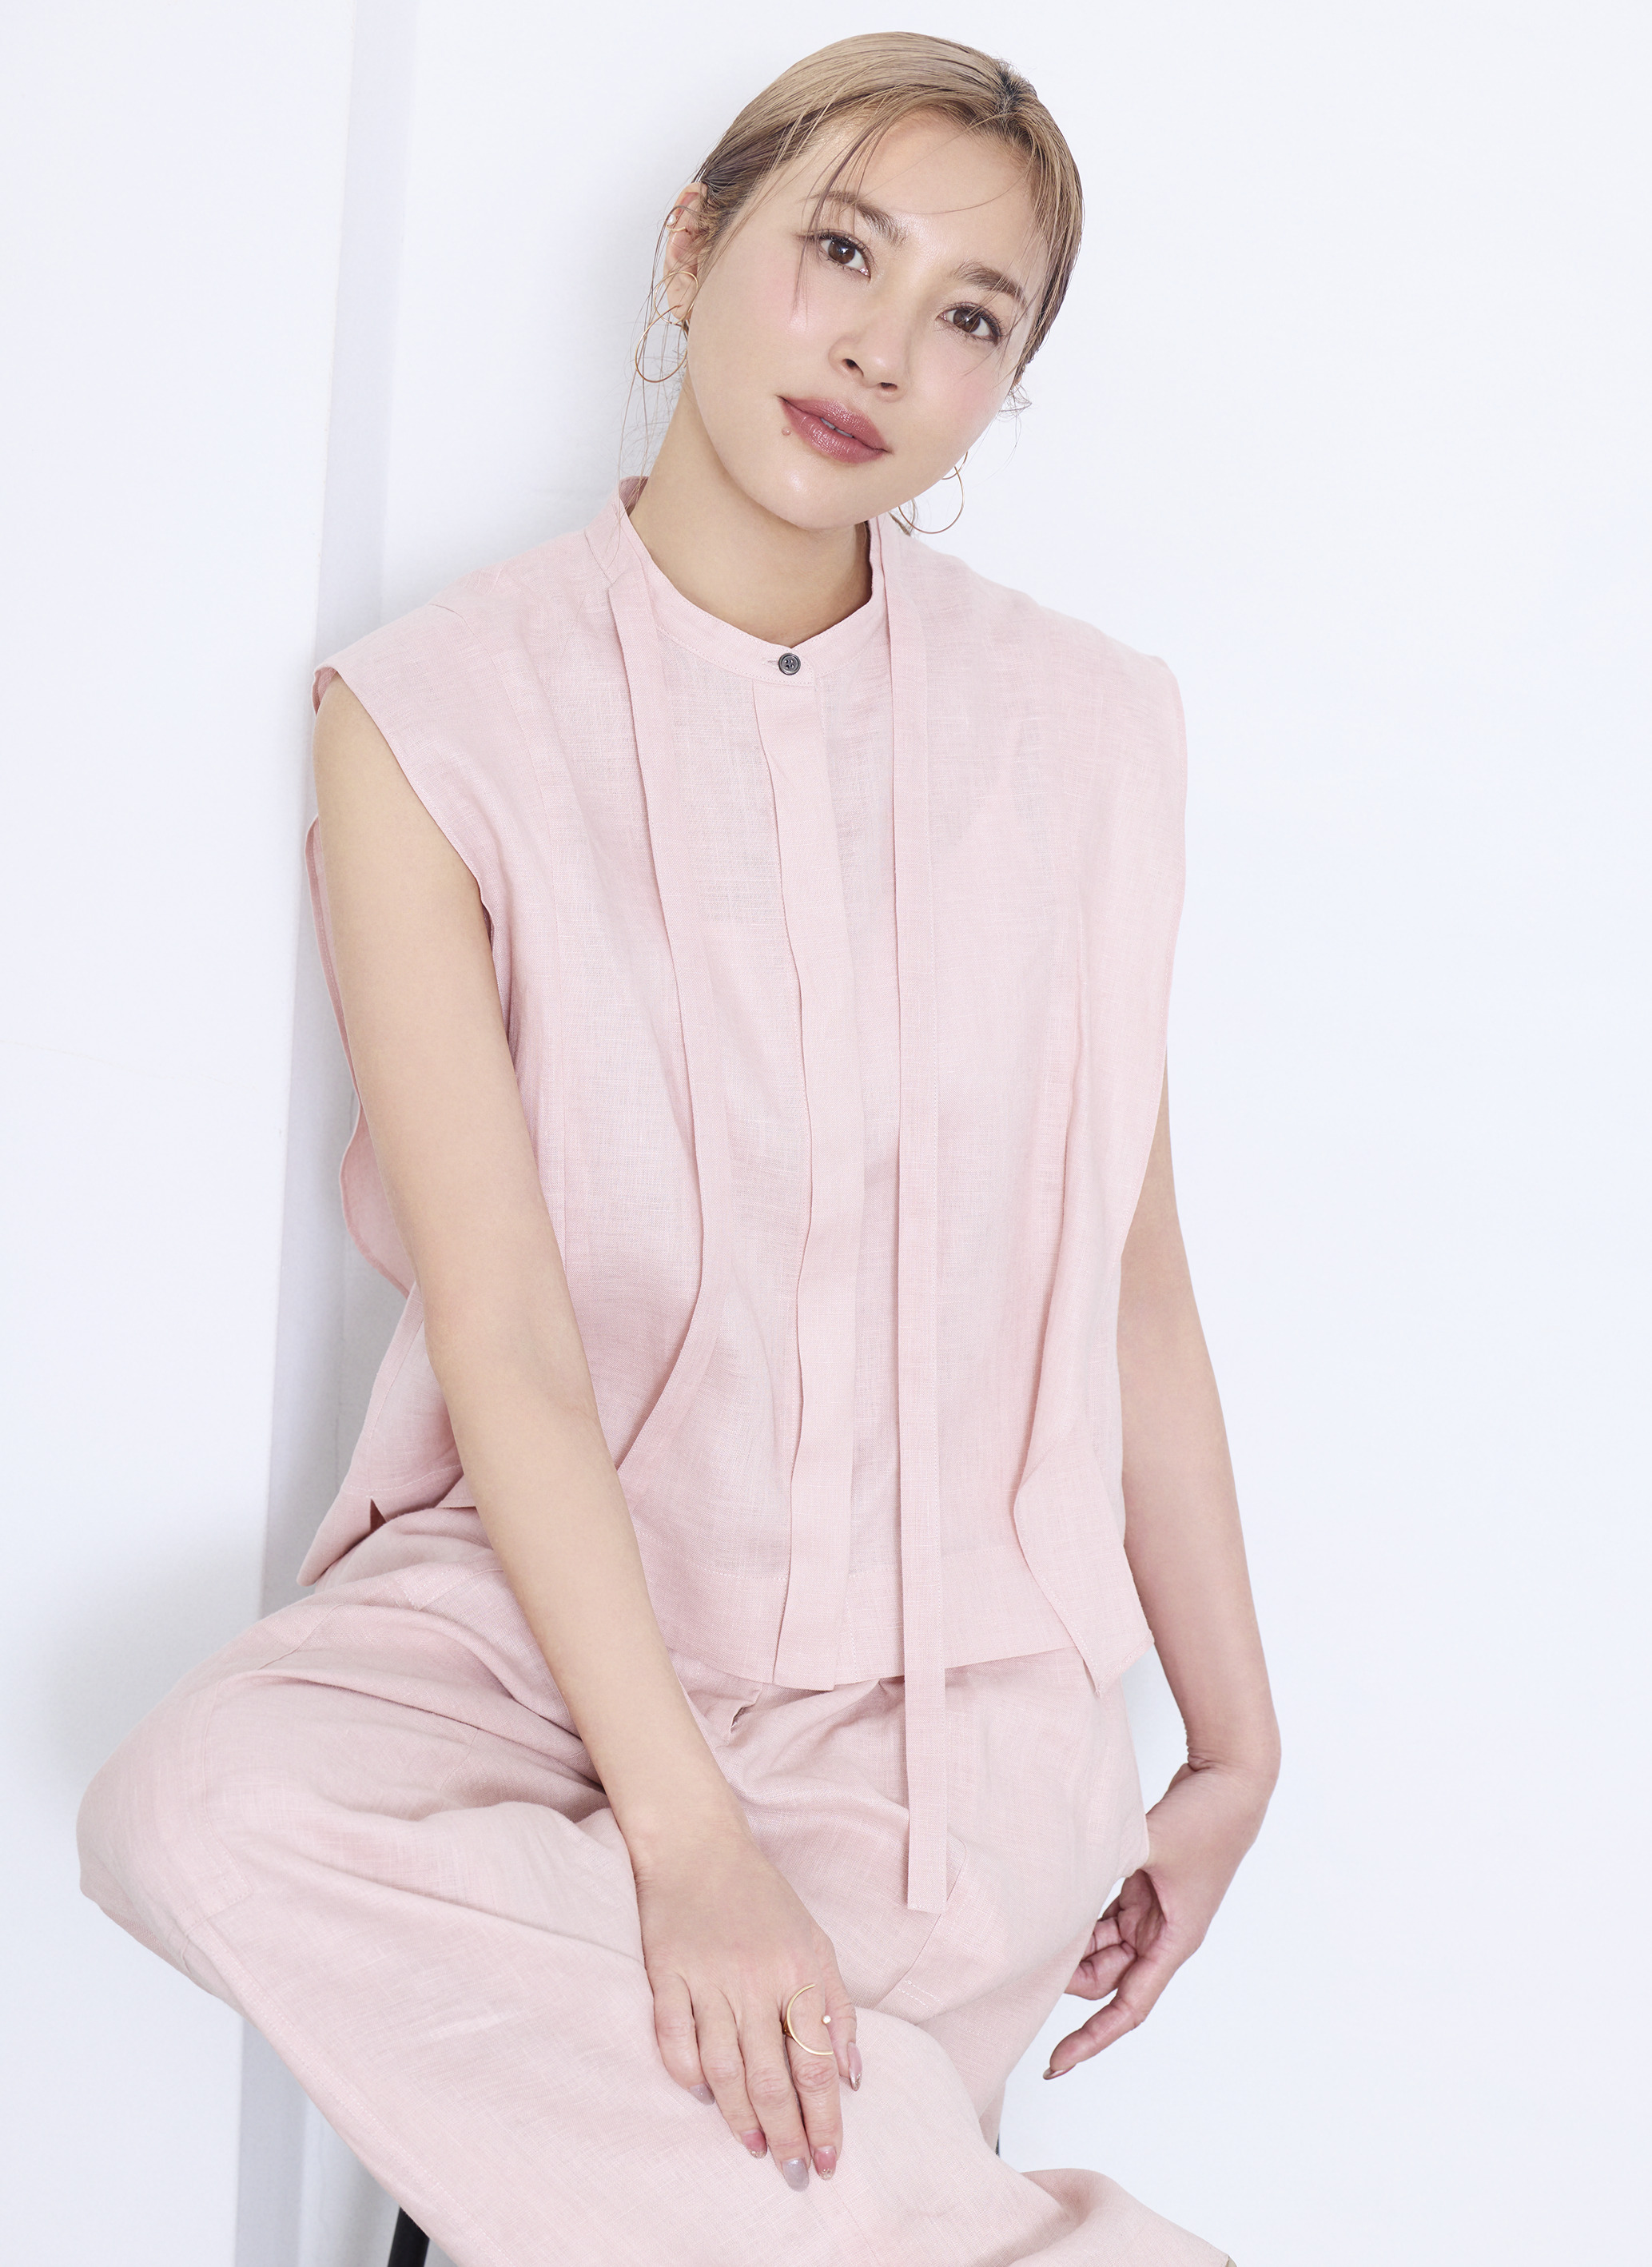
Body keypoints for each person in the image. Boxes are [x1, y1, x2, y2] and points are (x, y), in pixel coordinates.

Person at [78, 33, 1278, 2265]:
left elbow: (1127, 1272)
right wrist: (687, 1841)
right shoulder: (433, 716)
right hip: (529, 1626)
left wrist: (1235, 1739)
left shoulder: (1089, 734)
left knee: (751, 2125)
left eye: (970, 314)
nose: (880, 349)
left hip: (942, 1696)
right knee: (201, 1804)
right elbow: (509, 1331)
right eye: (841, 249)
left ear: (1007, 385)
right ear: (693, 247)